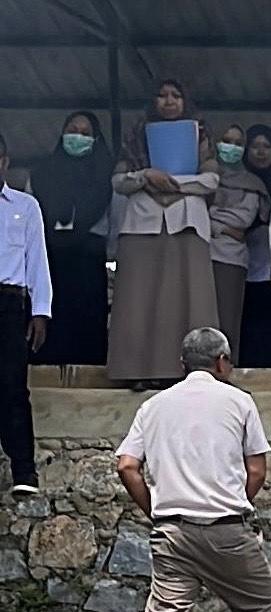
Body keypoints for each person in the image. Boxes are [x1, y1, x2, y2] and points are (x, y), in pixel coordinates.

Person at [114, 327, 271, 612]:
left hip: (171, 532)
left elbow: (127, 466)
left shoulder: (153, 406)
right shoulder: (239, 402)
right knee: (262, 610)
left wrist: (155, 510)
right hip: (226, 529)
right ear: (222, 362)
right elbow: (257, 470)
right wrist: (235, 503)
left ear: (182, 365)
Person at [108, 79, 221, 387]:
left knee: (187, 299)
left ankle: (190, 370)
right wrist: (146, 175)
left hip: (187, 224)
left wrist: (169, 182)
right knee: (138, 300)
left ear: (186, 101)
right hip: (141, 225)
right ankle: (136, 372)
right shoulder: (136, 136)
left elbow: (211, 180)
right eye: (162, 95)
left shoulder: (201, 134)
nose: (169, 101)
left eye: (176, 95)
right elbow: (118, 181)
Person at [33, 112, 112, 367]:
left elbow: (114, 222)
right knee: (52, 315)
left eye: (85, 133)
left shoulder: (105, 176)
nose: (77, 136)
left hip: (89, 256)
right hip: (51, 256)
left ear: (95, 139)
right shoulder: (42, 173)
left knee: (88, 317)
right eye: (72, 130)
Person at [0, 133, 52, 495]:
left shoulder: (25, 206)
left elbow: (37, 261)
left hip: (9, 303)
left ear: (4, 161)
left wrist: (41, 311)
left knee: (13, 386)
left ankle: (24, 472)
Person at [208, 125, 269, 364]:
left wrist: (212, 219)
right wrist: (223, 228)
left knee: (227, 321)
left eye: (237, 143)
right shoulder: (204, 176)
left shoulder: (252, 183)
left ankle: (224, 370)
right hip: (198, 255)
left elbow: (242, 219)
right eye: (226, 140)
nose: (230, 147)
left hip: (231, 258)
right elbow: (193, 212)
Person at [237, 125, 271, 367]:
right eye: (255, 146)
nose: (261, 152)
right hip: (244, 264)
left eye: (266, 146)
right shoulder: (236, 180)